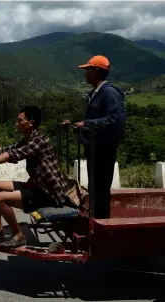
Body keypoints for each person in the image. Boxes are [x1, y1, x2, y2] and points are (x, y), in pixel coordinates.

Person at [0, 105, 73, 248]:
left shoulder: (39, 141)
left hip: (49, 194)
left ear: (31, 123)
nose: (16, 123)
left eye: (19, 120)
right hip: (36, 186)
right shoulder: (28, 139)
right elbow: (5, 149)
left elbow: (13, 155)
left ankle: (19, 235)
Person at [63, 55, 126, 219]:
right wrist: (80, 127)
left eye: (88, 70)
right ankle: (95, 220)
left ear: (97, 71)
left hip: (104, 149)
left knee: (101, 189)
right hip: (94, 147)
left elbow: (113, 119)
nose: (85, 74)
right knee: (95, 187)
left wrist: (86, 124)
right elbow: (98, 121)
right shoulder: (96, 93)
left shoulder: (109, 93)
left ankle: (101, 224)